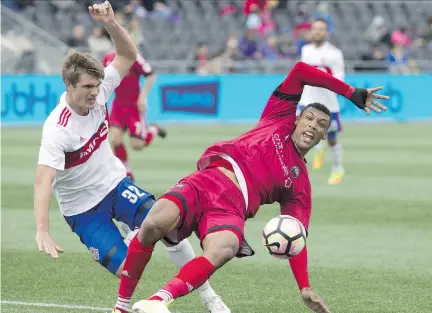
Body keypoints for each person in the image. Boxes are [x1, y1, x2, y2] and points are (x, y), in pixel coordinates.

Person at [111, 61, 389, 313]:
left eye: (322, 125)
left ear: (322, 136)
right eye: (310, 118)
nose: (314, 126)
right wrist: (351, 92)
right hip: (208, 180)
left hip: (232, 207)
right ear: (297, 119)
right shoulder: (278, 117)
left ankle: (159, 300)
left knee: (226, 247)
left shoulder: (299, 184)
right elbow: (301, 71)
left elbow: (297, 234)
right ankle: (121, 307)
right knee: (153, 224)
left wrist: (304, 286)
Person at [33, 2, 230, 313]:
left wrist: (111, 24)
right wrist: (42, 228)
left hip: (115, 184)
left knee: (169, 224)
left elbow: (127, 56)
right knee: (128, 267)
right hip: (83, 211)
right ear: (68, 85)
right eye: (87, 87)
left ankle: (209, 297)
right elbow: (44, 178)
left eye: (97, 86)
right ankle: (135, 266)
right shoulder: (58, 129)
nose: (94, 93)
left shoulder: (101, 92)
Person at [103, 49, 166, 182]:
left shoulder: (134, 57)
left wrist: (142, 97)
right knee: (115, 139)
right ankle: (127, 171)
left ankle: (152, 130)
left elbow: (150, 74)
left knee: (137, 145)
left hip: (134, 107)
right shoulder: (108, 58)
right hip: (118, 105)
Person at [299, 18, 346, 184]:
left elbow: (340, 78)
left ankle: (337, 169)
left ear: (327, 33)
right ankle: (299, 172)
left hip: (328, 104)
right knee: (296, 136)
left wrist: (323, 80)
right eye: (315, 29)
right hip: (306, 101)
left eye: (321, 29)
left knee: (332, 138)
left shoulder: (334, 53)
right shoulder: (305, 50)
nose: (317, 32)